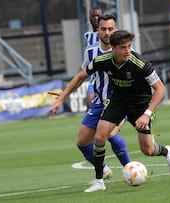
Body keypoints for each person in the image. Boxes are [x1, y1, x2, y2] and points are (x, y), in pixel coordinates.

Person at [48, 30, 170, 192]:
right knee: (99, 136)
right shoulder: (103, 60)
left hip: (140, 104)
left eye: (129, 46)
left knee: (147, 149)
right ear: (113, 48)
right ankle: (99, 181)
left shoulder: (139, 62)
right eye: (123, 47)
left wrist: (147, 114)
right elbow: (81, 75)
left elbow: (160, 89)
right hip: (118, 101)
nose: (128, 51)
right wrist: (61, 98)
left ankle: (167, 152)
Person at [53, 15, 131, 180]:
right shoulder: (90, 52)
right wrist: (62, 97)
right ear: (97, 30)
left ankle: (130, 169)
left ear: (116, 29)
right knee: (82, 142)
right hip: (99, 102)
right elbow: (81, 76)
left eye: (111, 29)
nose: (107, 33)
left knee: (109, 134)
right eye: (103, 29)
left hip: (119, 102)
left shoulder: (124, 51)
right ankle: (103, 169)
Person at [84, 7, 103, 110]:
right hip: (94, 76)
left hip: (109, 73)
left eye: (98, 16)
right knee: (89, 103)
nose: (96, 18)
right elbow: (86, 60)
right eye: (93, 16)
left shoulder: (110, 33)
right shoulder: (87, 36)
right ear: (89, 18)